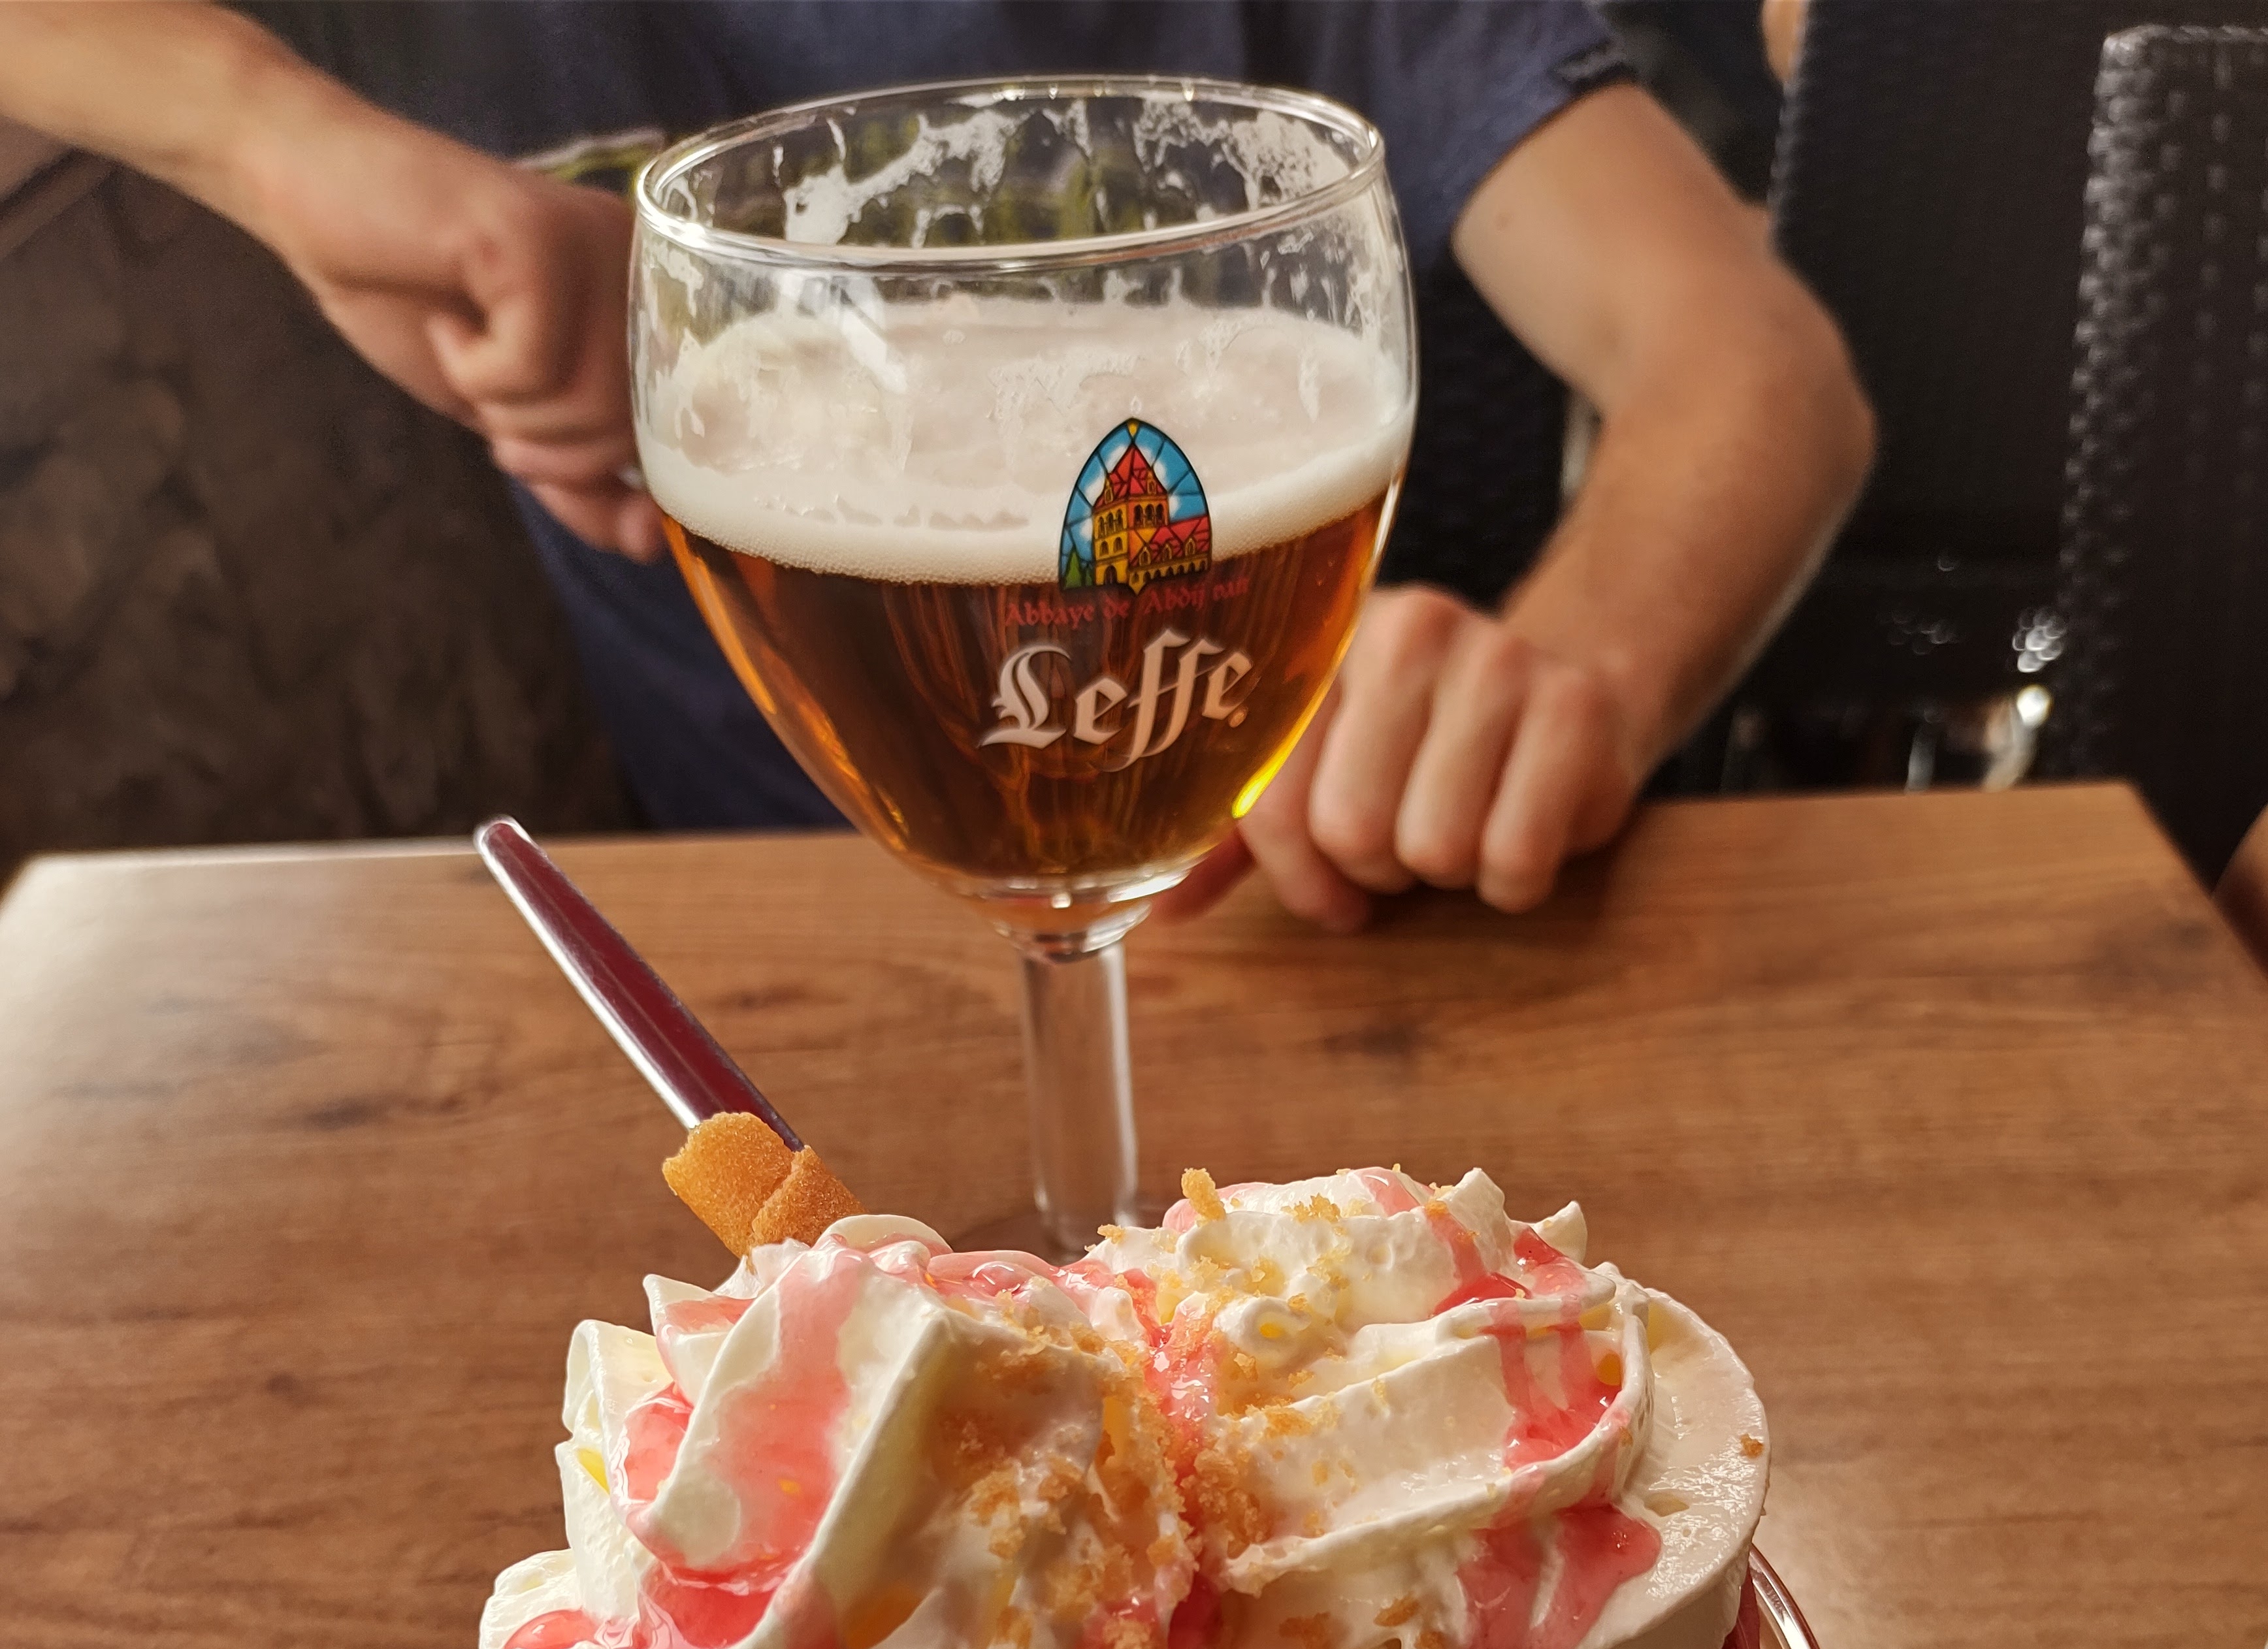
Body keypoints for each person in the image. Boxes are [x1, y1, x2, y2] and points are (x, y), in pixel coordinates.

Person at [0, 1, 1871, 926]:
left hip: (1291, 916)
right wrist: (269, 134)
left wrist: (1565, 673)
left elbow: (1754, 363)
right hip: (766, 932)